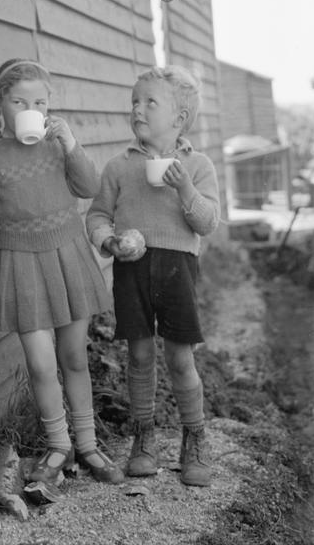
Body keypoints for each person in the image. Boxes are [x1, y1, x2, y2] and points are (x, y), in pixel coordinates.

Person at [0, 58, 125, 485]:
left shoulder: (57, 144)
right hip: (20, 266)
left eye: (39, 101)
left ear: (48, 105)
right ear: (0, 103)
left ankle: (89, 445)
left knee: (74, 357)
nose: (29, 107)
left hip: (67, 256)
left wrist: (72, 145)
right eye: (19, 100)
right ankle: (60, 447)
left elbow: (90, 188)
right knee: (41, 365)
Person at [86, 65, 220, 487]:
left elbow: (207, 223)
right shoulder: (119, 167)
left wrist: (184, 190)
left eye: (149, 102)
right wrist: (109, 243)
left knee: (180, 358)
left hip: (178, 270)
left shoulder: (197, 166)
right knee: (140, 357)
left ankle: (194, 438)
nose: (138, 110)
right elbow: (97, 216)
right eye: (134, 102)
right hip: (132, 270)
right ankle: (143, 439)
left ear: (179, 119)